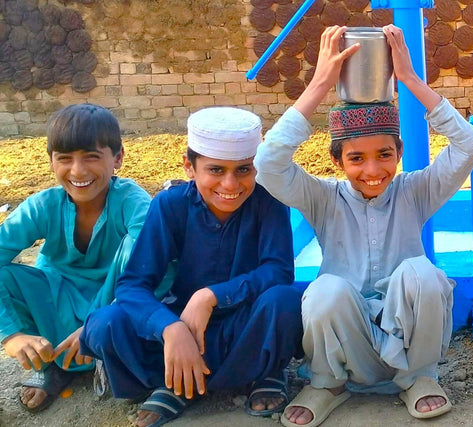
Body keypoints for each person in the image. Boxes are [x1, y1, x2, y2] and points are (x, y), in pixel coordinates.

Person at [255, 24, 473, 427]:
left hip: (408, 342)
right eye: (356, 158)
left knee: (424, 275)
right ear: (338, 161)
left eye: (384, 154)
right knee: (326, 289)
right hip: (347, 341)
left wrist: (412, 80)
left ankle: (417, 379)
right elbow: (268, 164)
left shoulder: (416, 191)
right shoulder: (323, 198)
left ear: (399, 152)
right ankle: (328, 384)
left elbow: (470, 145)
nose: (373, 170)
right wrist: (319, 86)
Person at [80, 106, 302, 427]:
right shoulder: (170, 205)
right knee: (105, 323)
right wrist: (169, 328)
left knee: (285, 300)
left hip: (245, 324)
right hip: (184, 327)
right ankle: (176, 382)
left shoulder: (269, 202)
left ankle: (263, 372)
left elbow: (278, 272)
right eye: (215, 170)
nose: (230, 183)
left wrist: (210, 296)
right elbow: (133, 284)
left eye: (243, 170)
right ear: (189, 167)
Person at [0, 104, 151, 413]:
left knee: (138, 250)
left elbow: (155, 267)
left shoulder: (133, 202)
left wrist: (97, 324)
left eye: (92, 157)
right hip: (58, 303)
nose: (78, 171)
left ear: (118, 158)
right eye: (65, 159)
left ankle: (111, 359)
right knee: (7, 276)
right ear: (51, 162)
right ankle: (51, 366)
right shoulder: (43, 205)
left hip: (115, 304)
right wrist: (11, 335)